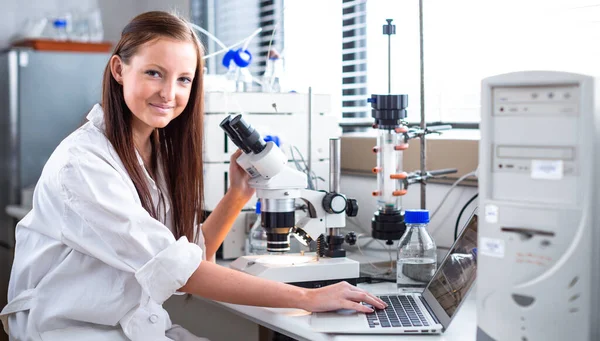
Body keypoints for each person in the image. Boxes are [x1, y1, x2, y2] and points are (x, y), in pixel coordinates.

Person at [0, 11, 386, 341]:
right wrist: (307, 298)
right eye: (154, 73)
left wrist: (236, 196)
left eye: (184, 79)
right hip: (72, 330)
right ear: (119, 70)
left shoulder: (154, 151)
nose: (170, 93)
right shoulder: (83, 164)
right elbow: (180, 272)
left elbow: (189, 254)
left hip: (129, 326)